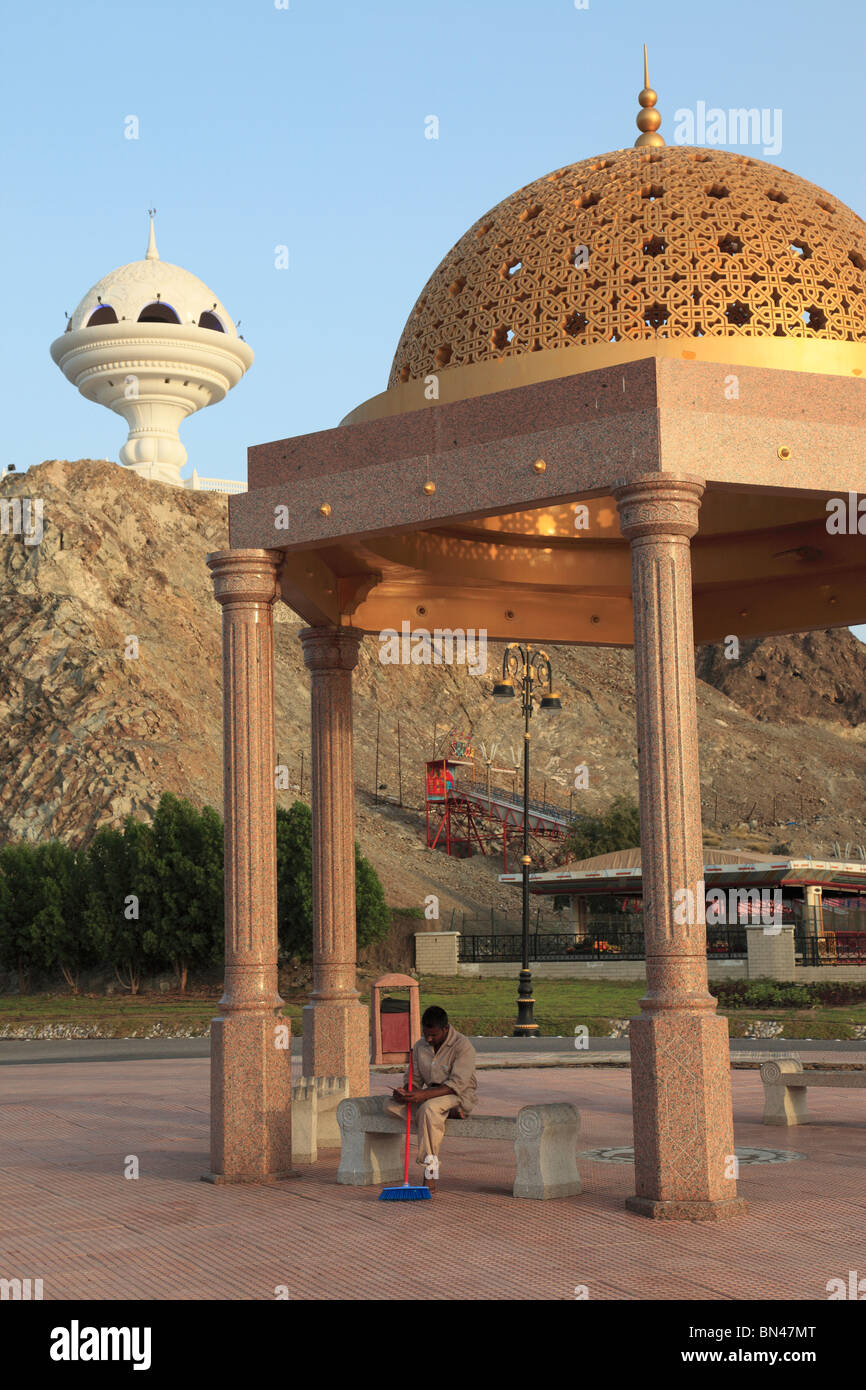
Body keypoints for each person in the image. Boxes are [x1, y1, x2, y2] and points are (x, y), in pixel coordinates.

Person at [384, 1005, 477, 1184]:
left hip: (458, 1095)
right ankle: (441, 1115)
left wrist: (423, 1096)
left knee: (428, 1109)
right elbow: (415, 1079)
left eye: (433, 1035)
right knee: (389, 1105)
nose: (429, 1038)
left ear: (446, 1029)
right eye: (426, 1034)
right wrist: (406, 1091)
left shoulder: (463, 1046)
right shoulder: (420, 1046)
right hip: (429, 1097)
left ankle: (430, 1170)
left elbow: (456, 1084)